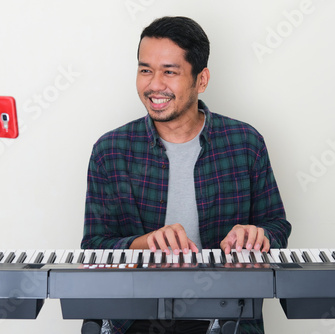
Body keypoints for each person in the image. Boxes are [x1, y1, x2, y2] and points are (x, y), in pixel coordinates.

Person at [81, 16, 291, 334]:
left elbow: (277, 226)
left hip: (225, 317)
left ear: (201, 80)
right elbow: (93, 247)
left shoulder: (246, 142)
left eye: (169, 71)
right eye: (145, 70)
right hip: (134, 319)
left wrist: (259, 236)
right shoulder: (109, 150)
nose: (154, 85)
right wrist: (144, 243)